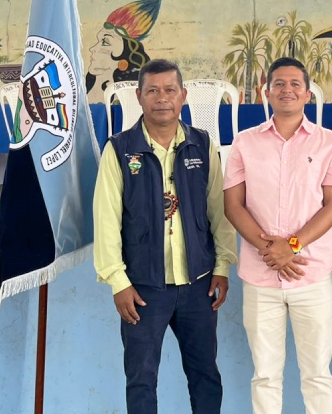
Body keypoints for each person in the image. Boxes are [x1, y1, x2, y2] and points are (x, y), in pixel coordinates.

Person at [93, 58, 237, 414]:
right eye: (153, 91)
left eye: (170, 90)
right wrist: (118, 282)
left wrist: (222, 266)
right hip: (142, 289)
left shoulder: (202, 145)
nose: (162, 98)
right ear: (139, 97)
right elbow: (106, 219)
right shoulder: (119, 149)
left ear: (183, 96)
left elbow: (219, 210)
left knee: (205, 375)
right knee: (141, 380)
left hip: (199, 284)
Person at [223, 57, 332, 414]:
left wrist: (292, 246)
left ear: (307, 94)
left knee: (317, 375)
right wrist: (271, 250)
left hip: (310, 275)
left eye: (296, 84)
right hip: (260, 276)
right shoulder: (245, 142)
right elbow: (233, 205)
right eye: (279, 83)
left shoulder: (329, 143)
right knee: (265, 375)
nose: (287, 90)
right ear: (266, 93)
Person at [86, 0, 159, 102]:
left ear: (125, 52)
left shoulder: (134, 95)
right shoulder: (90, 85)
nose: (92, 49)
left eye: (105, 42)